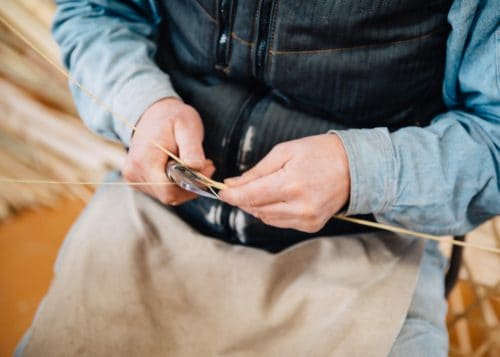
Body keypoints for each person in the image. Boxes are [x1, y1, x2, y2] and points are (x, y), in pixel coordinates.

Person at [17, 0, 499, 356]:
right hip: (158, 216)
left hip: (365, 250)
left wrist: (360, 171)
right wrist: (141, 105)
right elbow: (96, 13)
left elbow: (493, 138)